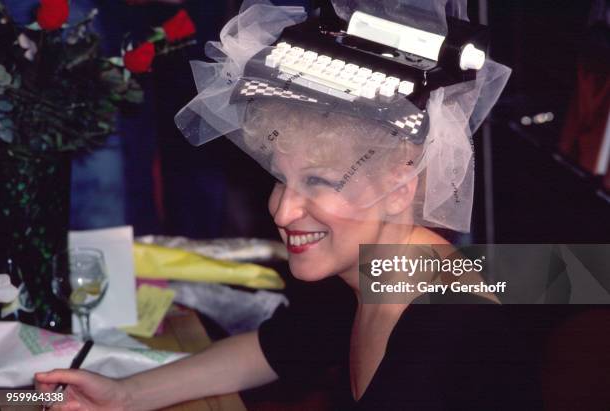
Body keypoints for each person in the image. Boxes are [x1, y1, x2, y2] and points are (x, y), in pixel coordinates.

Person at [35, 1, 533, 409]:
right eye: (280, 177)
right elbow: (278, 348)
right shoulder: (372, 270)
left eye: (318, 181)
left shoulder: (447, 325)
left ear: (401, 186)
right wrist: (123, 395)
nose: (281, 210)